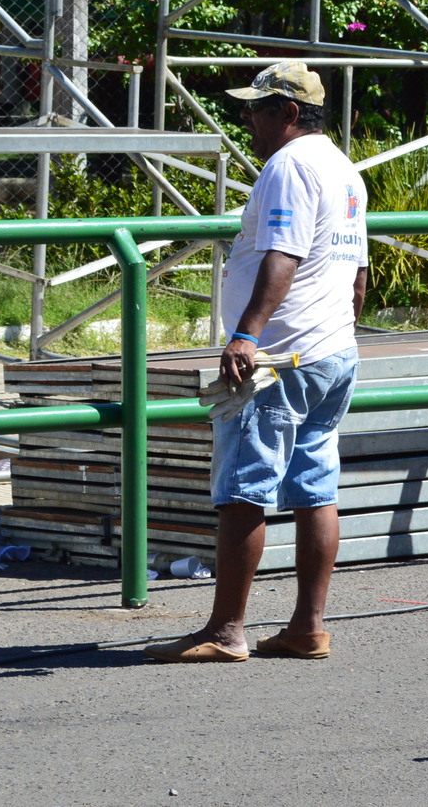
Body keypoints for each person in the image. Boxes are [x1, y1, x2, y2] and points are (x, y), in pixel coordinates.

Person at [147, 62, 369, 663]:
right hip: (330, 351)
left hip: (280, 357)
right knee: (315, 491)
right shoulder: (345, 169)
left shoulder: (289, 165)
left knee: (243, 490)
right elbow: (358, 278)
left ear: (290, 113)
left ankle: (226, 631)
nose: (248, 117)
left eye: (258, 108)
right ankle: (307, 627)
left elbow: (283, 255)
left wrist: (246, 335)